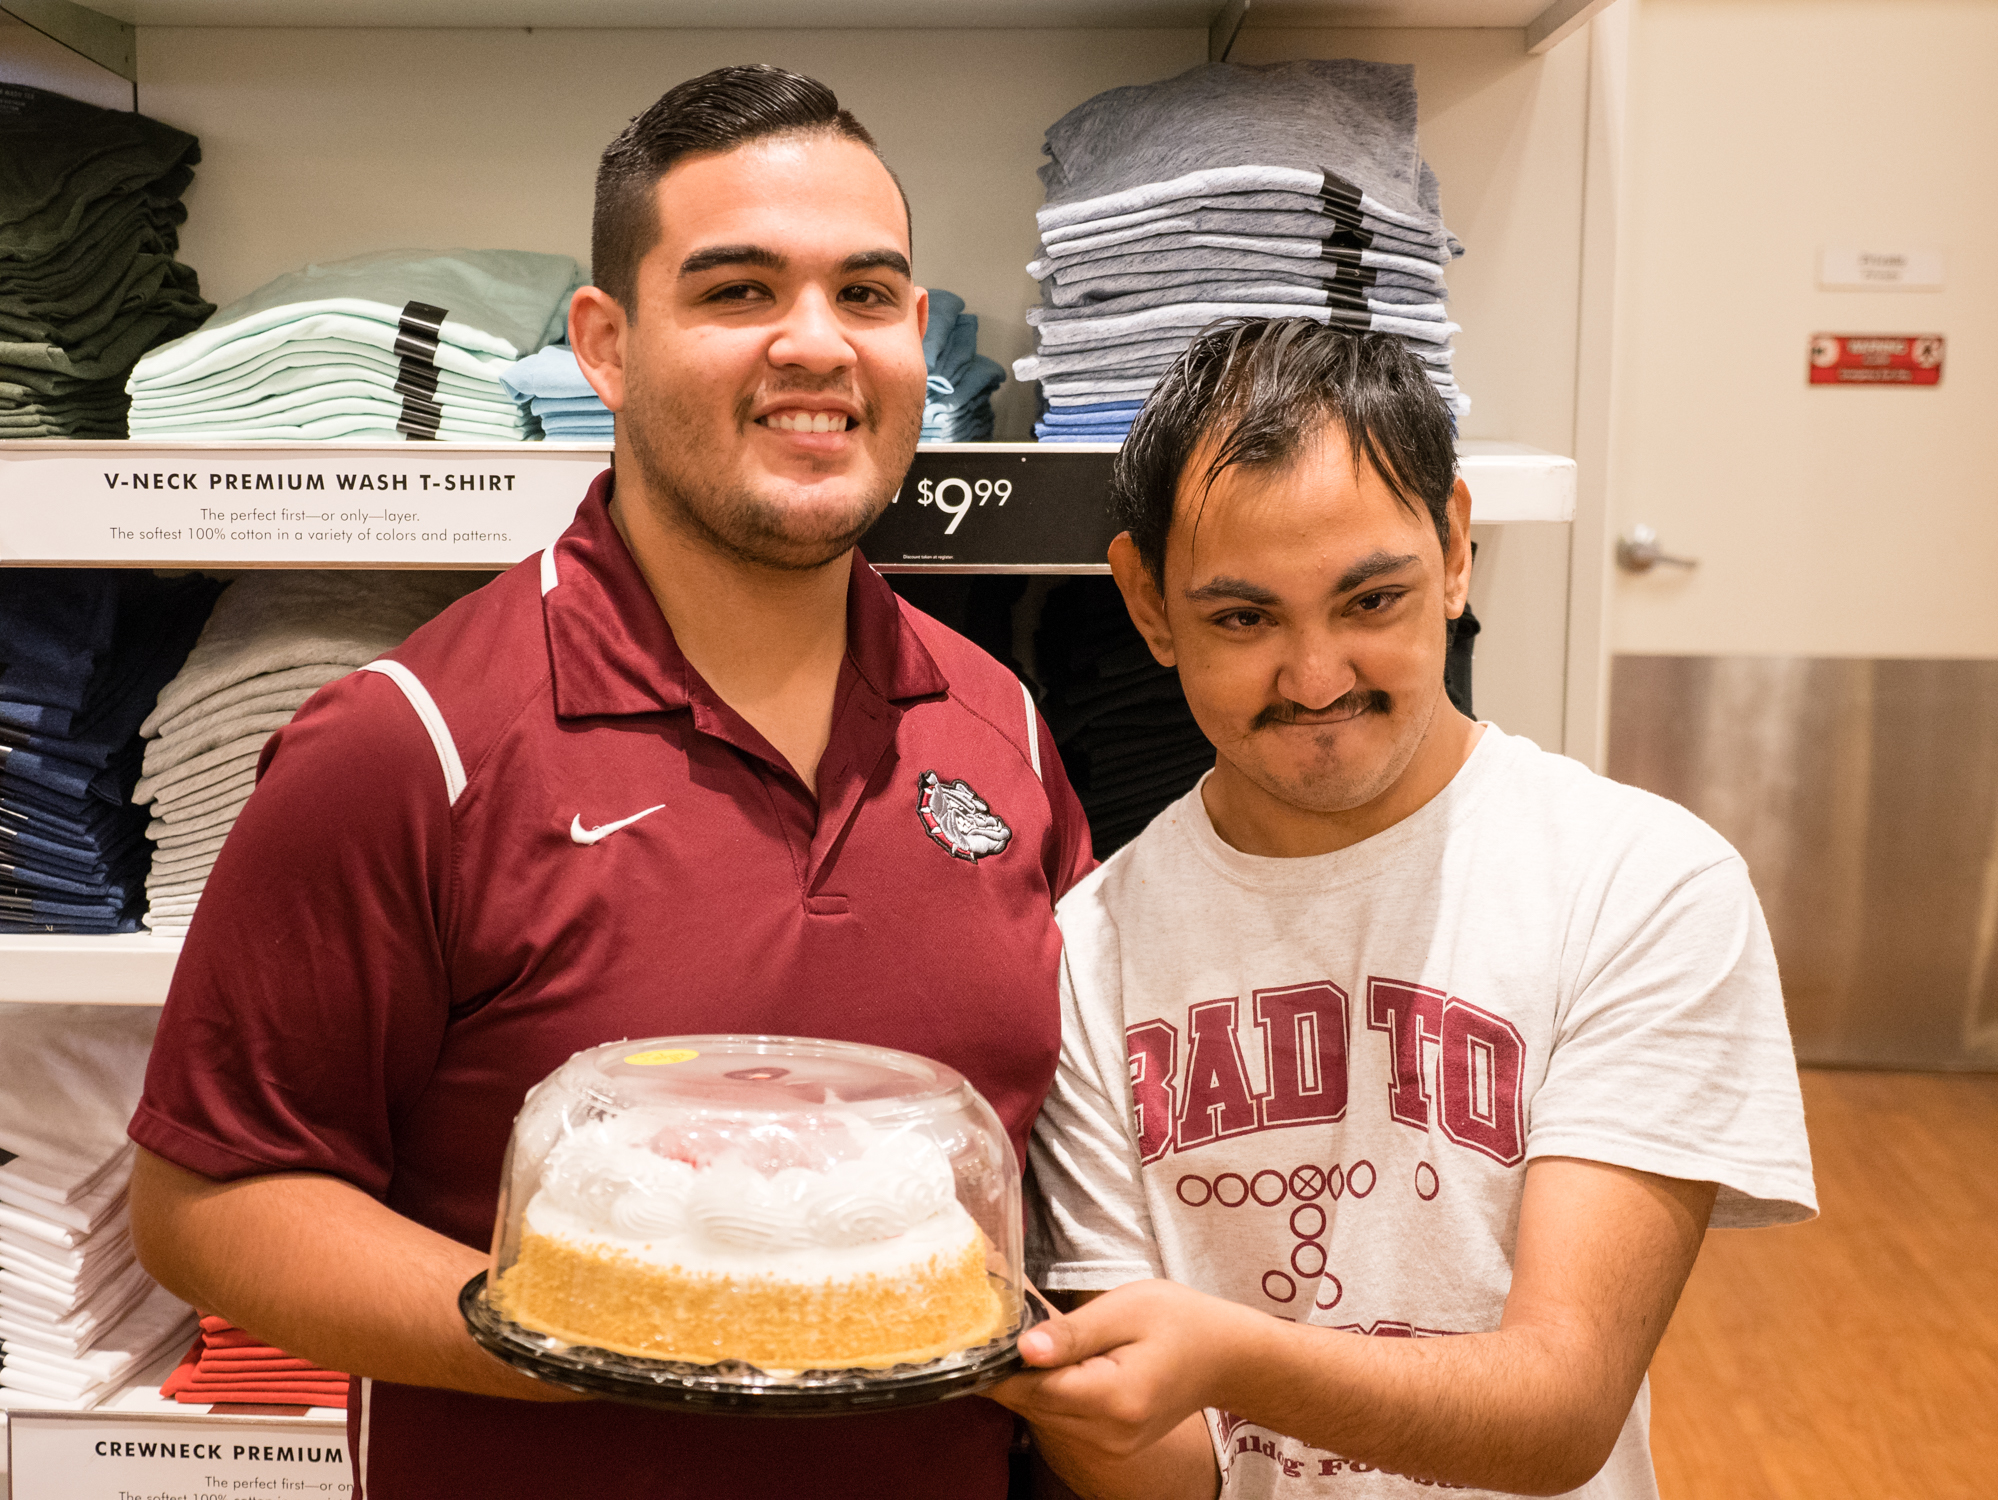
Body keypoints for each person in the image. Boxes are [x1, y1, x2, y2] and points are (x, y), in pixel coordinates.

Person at [128, 66, 1091, 1499]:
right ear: (606, 344)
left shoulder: (998, 724)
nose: (816, 346)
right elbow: (208, 1202)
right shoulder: (408, 747)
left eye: (869, 294)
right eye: (738, 292)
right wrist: (585, 1331)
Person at [995, 319, 1815, 1499]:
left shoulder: (1640, 887)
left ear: (1457, 550)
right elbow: (1165, 1475)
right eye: (1243, 618)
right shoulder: (1087, 951)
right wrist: (1020, 1367)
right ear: (1146, 603)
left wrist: (1227, 1356)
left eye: (1371, 599)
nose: (1316, 677)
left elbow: (1559, 1411)